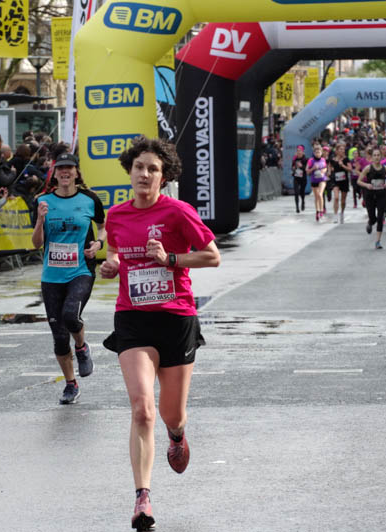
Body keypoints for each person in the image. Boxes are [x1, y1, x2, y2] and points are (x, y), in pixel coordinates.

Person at [99, 136, 220, 531]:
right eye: (139, 167)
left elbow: (212, 256)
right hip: (132, 318)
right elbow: (114, 252)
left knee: (171, 414)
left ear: (163, 176)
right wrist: (111, 265)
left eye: (153, 169)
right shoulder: (116, 216)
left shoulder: (178, 212)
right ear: (129, 172)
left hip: (176, 318)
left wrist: (171, 259)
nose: (145, 174)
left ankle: (177, 435)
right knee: (142, 409)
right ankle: (142, 498)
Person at [32, 153, 105, 405]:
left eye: (69, 168)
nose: (65, 172)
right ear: (54, 173)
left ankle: (82, 347)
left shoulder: (89, 199)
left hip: (81, 270)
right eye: (60, 168)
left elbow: (103, 226)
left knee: (71, 315)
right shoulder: (42, 201)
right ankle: (71, 384)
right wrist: (40, 219)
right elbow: (36, 243)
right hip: (52, 275)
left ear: (76, 172)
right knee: (60, 336)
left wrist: (98, 243)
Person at [358, 148, 386, 249]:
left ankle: (378, 241)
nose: (377, 157)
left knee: (380, 218)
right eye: (375, 155)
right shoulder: (367, 168)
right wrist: (367, 185)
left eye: (378, 155)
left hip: (381, 195)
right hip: (370, 195)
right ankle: (370, 222)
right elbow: (359, 181)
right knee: (373, 218)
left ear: (381, 157)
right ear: (372, 157)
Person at [328, 143, 351, 223]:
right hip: (335, 181)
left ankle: (342, 213)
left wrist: (343, 165)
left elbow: (350, 169)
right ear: (337, 151)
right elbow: (329, 165)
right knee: (336, 197)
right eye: (340, 149)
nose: (342, 151)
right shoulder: (333, 159)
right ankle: (335, 215)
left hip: (344, 181)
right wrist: (329, 171)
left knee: (343, 200)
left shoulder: (346, 159)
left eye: (343, 149)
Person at [306, 145, 328, 222]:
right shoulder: (311, 160)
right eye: (316, 152)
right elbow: (307, 171)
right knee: (316, 197)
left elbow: (325, 168)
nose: (317, 154)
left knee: (320, 194)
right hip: (314, 180)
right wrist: (313, 168)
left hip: (322, 179)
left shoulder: (323, 160)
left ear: (321, 153)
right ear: (314, 153)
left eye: (319, 152)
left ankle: (321, 211)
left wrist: (323, 171)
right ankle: (317, 211)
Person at [291, 145, 308, 213]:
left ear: (303, 152)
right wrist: (293, 168)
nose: (298, 152)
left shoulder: (305, 159)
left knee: (302, 192)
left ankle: (303, 201)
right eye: (297, 151)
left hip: (303, 178)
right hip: (296, 177)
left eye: (300, 151)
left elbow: (307, 169)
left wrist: (301, 166)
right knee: (296, 192)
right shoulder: (295, 159)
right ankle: (297, 207)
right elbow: (292, 167)